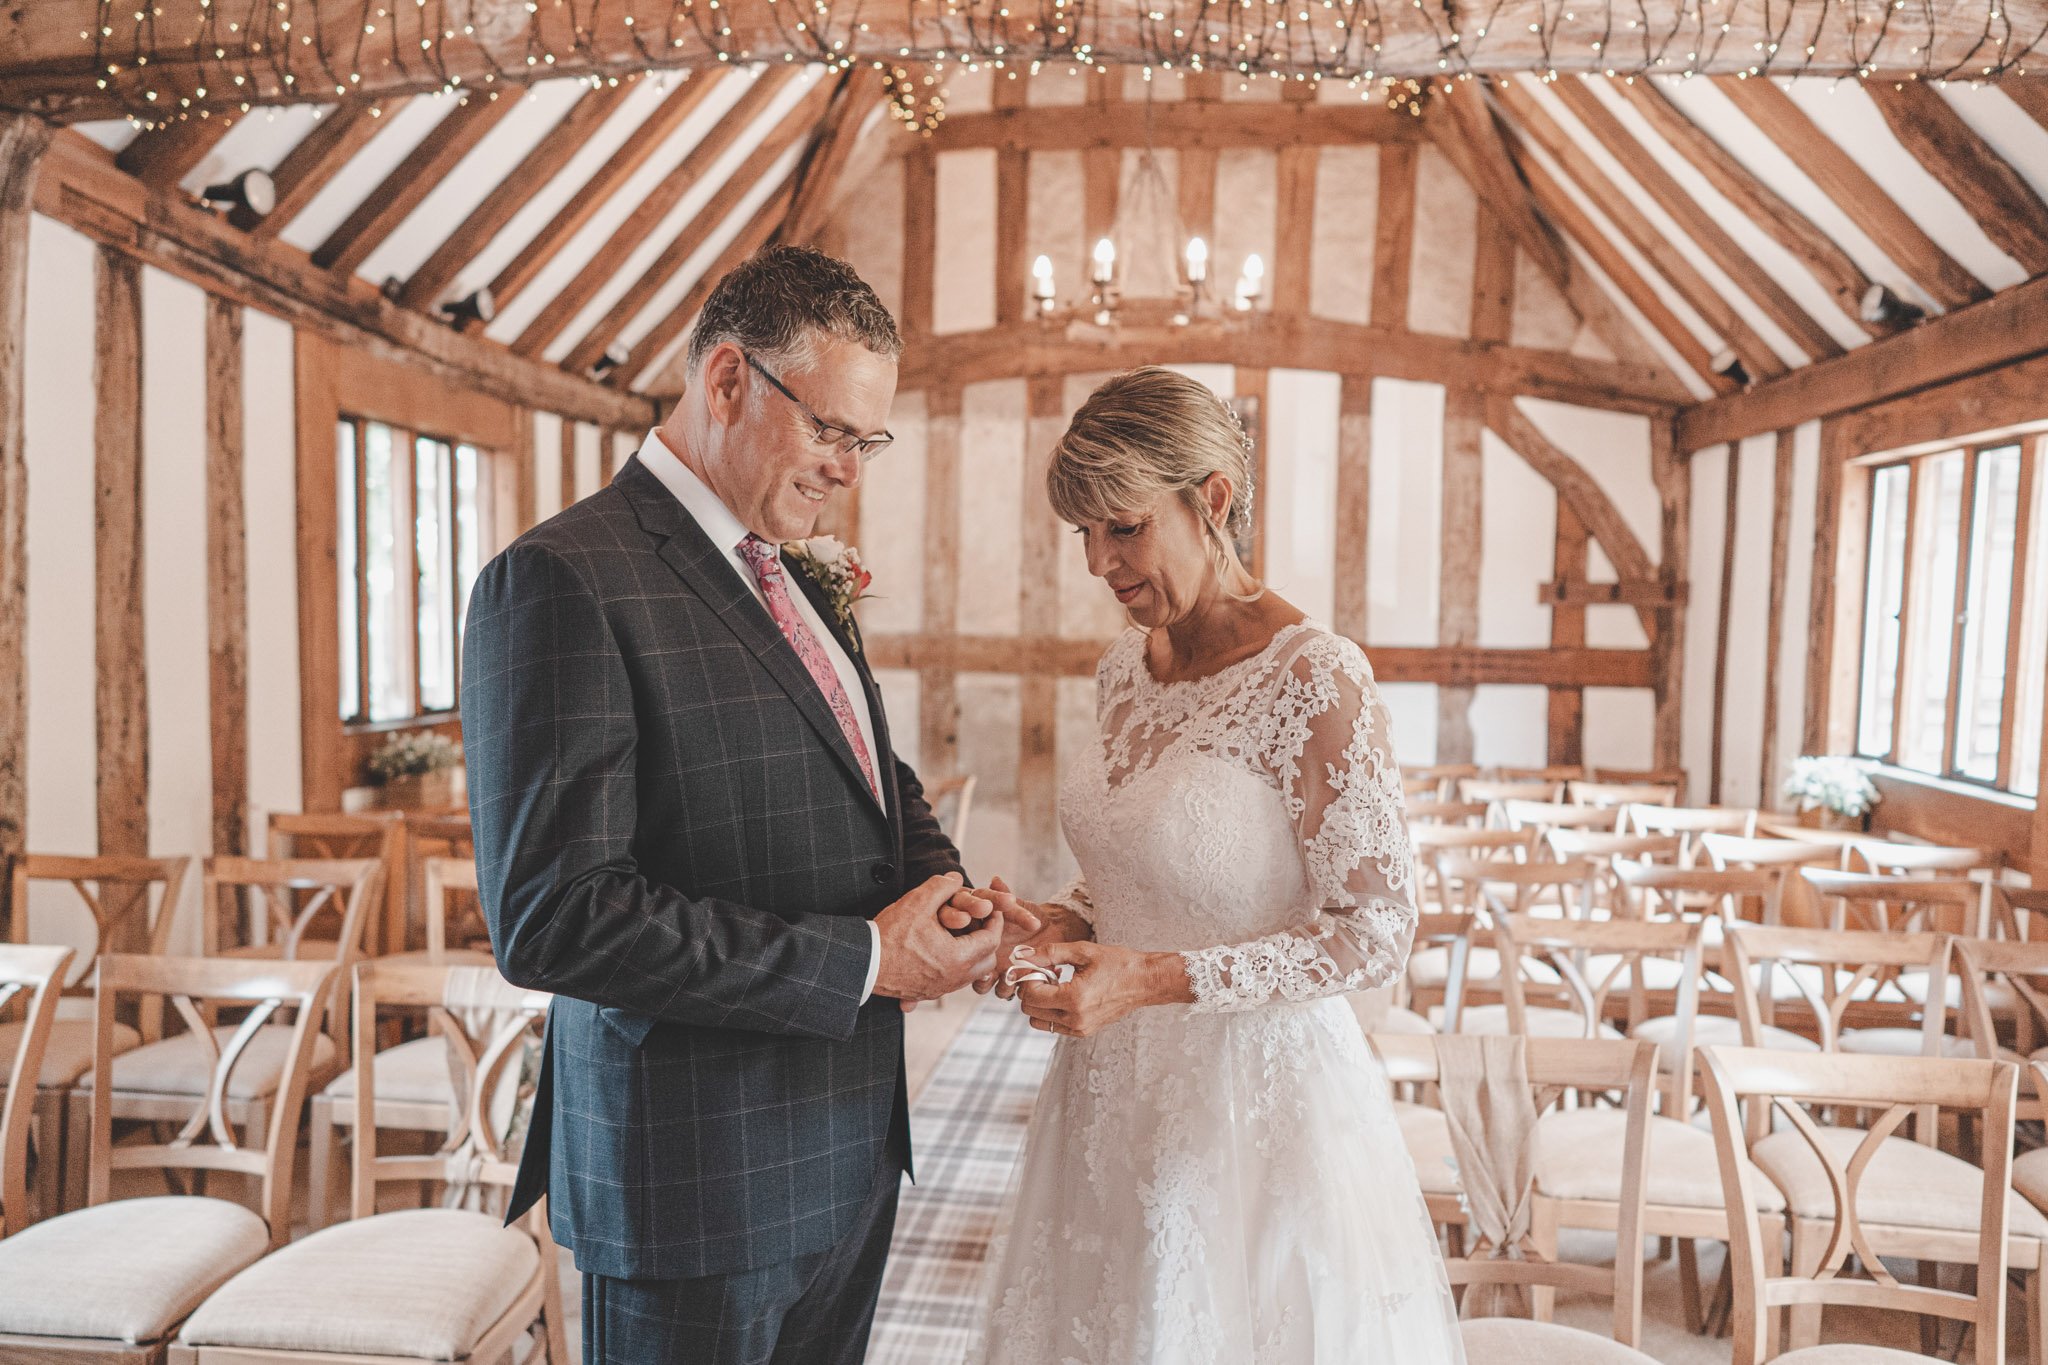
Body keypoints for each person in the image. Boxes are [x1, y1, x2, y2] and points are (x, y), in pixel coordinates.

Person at [462, 245, 1035, 1365]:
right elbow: (556, 918)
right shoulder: (564, 578)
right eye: (830, 431)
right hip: (696, 1180)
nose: (848, 471)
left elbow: (867, 769)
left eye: (865, 442)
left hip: (846, 1149)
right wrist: (867, 963)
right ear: (727, 380)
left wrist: (945, 893)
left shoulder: (792, 565)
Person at [970, 367, 1466, 1363]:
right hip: (1106, 1095)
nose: (1098, 563)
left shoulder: (1314, 676)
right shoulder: (1122, 669)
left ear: (1213, 500)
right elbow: (1130, 872)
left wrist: (1151, 977)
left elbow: (1373, 934)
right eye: (1083, 533)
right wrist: (1062, 921)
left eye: (1121, 526)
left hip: (1252, 1114)